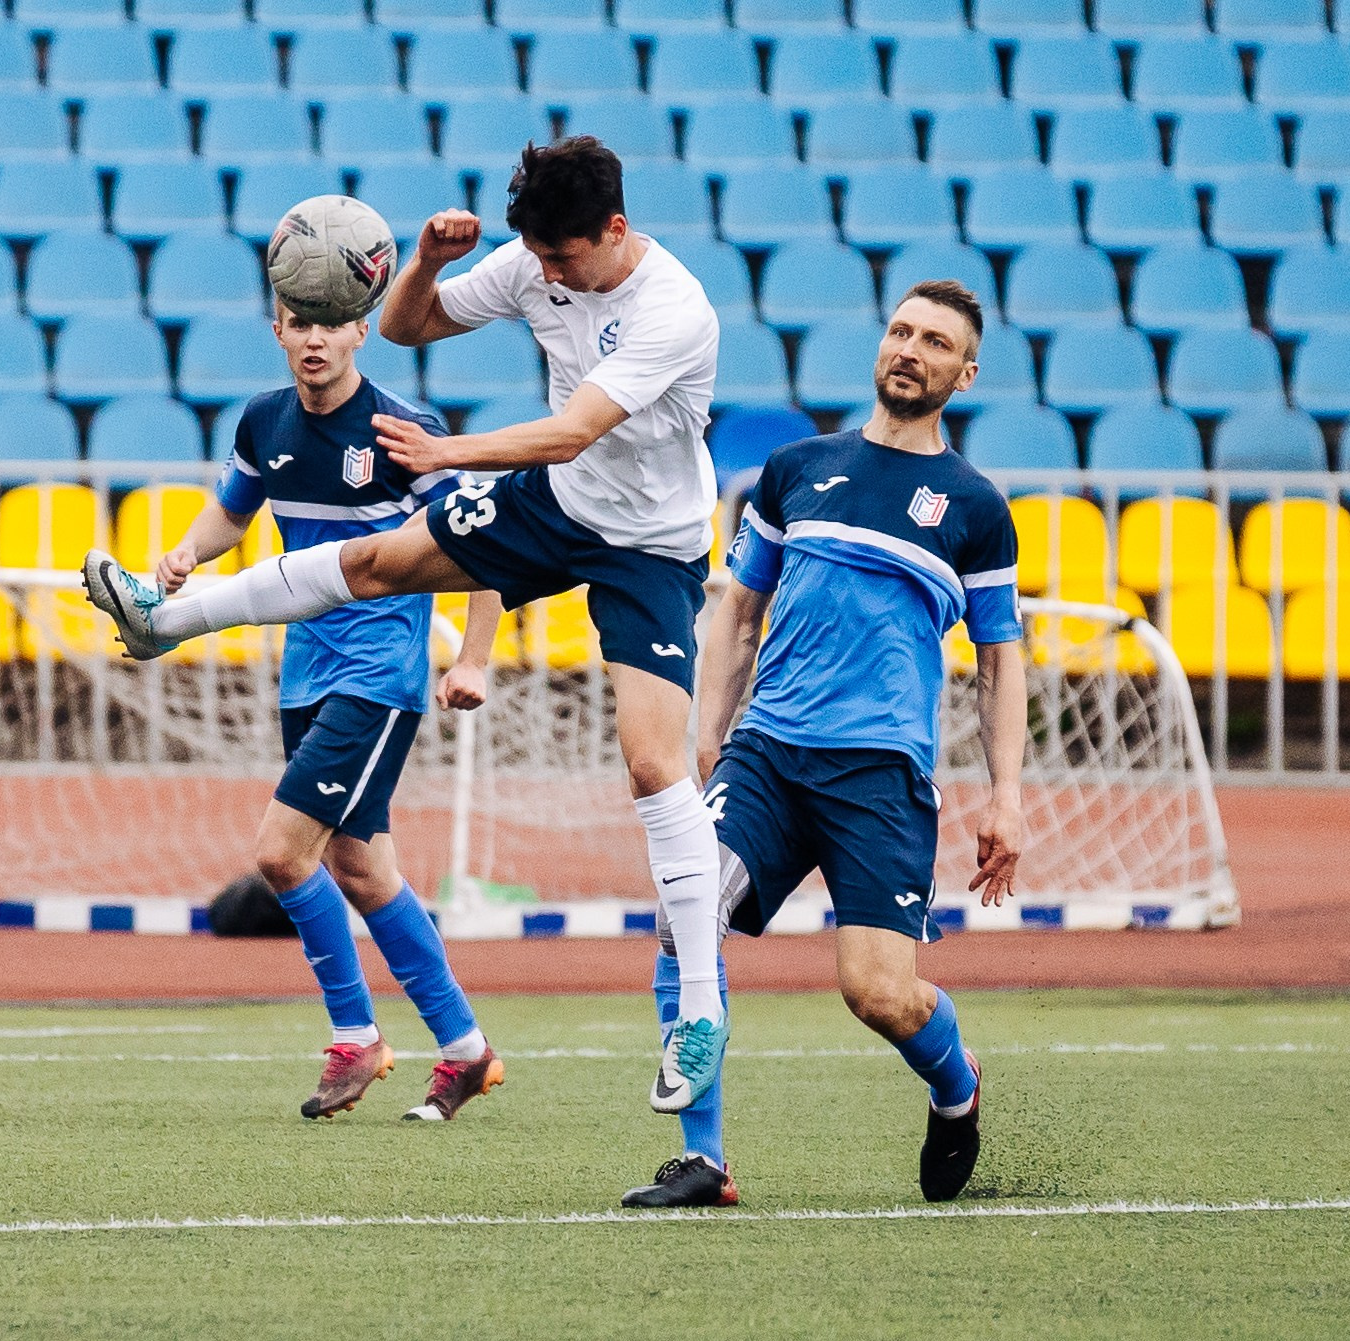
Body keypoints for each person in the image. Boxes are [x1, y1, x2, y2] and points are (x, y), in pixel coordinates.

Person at [83, 136, 732, 1114]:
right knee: (371, 563)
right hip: (557, 507)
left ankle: (698, 1004)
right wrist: (427, 261)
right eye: (536, 260)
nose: (546, 276)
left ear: (614, 230)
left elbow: (569, 430)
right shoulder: (528, 262)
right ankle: (162, 621)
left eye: (562, 260)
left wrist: (444, 454)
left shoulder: (673, 309)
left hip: (648, 545)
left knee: (650, 764)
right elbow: (409, 328)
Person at [621, 281, 1027, 1209]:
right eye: (899, 329)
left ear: (963, 373)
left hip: (879, 776)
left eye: (934, 341)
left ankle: (956, 1088)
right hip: (767, 753)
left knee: (878, 991)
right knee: (688, 916)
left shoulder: (973, 505)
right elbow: (737, 609)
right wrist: (710, 733)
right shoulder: (799, 466)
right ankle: (704, 1160)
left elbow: (1002, 662)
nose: (909, 348)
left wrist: (1006, 795)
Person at [128, 298, 507, 1123]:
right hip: (306, 672)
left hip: (378, 676)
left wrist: (472, 657)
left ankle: (355, 1036)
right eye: (298, 322)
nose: (314, 338)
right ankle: (469, 1051)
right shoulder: (265, 421)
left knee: (279, 852)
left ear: (360, 332)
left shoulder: (404, 429)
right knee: (365, 870)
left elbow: (483, 550)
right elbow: (233, 511)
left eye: (331, 324)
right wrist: (187, 553)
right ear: (275, 330)